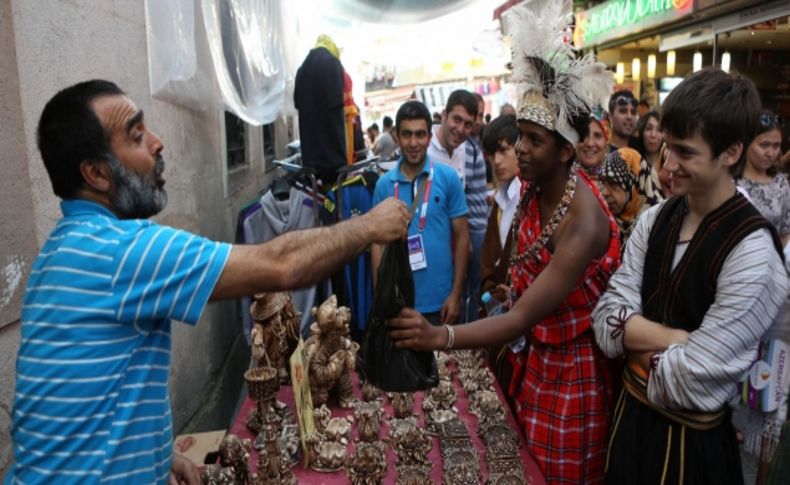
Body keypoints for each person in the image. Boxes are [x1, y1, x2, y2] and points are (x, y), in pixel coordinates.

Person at [6, 80, 409, 484]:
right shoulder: (119, 252)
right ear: (95, 173)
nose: (157, 143)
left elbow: (92, 400)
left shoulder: (63, 249)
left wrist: (157, 458)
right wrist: (369, 225)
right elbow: (283, 265)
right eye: (137, 135)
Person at [388, 1, 619, 481]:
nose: (520, 151)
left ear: (565, 150)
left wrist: (440, 337)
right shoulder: (534, 191)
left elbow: (518, 316)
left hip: (572, 376)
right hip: (532, 362)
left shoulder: (585, 223)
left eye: (534, 141)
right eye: (522, 138)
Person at [592, 68, 789, 485]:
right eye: (666, 147)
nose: (668, 165)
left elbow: (694, 377)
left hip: (692, 448)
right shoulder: (657, 217)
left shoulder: (753, 250)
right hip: (627, 426)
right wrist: (678, 339)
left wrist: (635, 338)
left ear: (731, 152)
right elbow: (606, 317)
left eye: (685, 152)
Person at [371, 100, 469, 325]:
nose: (413, 143)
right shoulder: (384, 186)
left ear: (430, 137)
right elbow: (377, 245)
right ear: (396, 136)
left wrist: (455, 295)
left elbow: (463, 238)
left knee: (445, 362)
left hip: (442, 306)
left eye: (420, 135)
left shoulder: (448, 178)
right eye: (407, 135)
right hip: (399, 306)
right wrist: (381, 300)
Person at [428, 89, 488, 322]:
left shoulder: (472, 153)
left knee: (460, 305)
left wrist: (470, 242)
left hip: (460, 246)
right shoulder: (423, 149)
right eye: (456, 120)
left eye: (467, 124)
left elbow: (477, 205)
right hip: (430, 246)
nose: (461, 129)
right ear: (444, 115)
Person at [478, 114, 521, 314]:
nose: (496, 161)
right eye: (492, 153)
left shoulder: (530, 196)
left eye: (504, 150)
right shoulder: (500, 197)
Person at [736, 109, 790, 247]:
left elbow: (785, 233)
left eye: (776, 146)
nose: (770, 153)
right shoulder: (731, 182)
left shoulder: (780, 183)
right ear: (747, 143)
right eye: (764, 145)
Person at [598, 147, 663, 251]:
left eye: (613, 183)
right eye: (602, 183)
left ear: (634, 186)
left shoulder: (658, 224)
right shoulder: (603, 220)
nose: (604, 192)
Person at [577, 108, 611, 177]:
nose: (590, 143)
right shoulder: (562, 179)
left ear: (607, 144)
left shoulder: (615, 182)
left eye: (597, 136)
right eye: (584, 134)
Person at [636, 110, 663, 176]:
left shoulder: (669, 167)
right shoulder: (633, 163)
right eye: (648, 128)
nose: (653, 135)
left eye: (659, 130)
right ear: (642, 132)